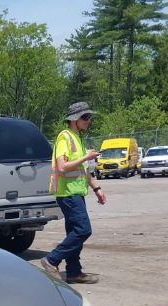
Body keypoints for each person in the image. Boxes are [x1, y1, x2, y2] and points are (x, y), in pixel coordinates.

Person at [41, 102, 106, 284]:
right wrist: (86, 156)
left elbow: (83, 170)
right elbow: (62, 167)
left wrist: (97, 188)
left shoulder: (77, 138)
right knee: (83, 230)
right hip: (67, 193)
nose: (88, 120)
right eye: (85, 117)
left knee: (74, 232)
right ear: (74, 119)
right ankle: (52, 259)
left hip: (76, 192)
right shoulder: (65, 137)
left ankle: (74, 272)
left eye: (89, 117)